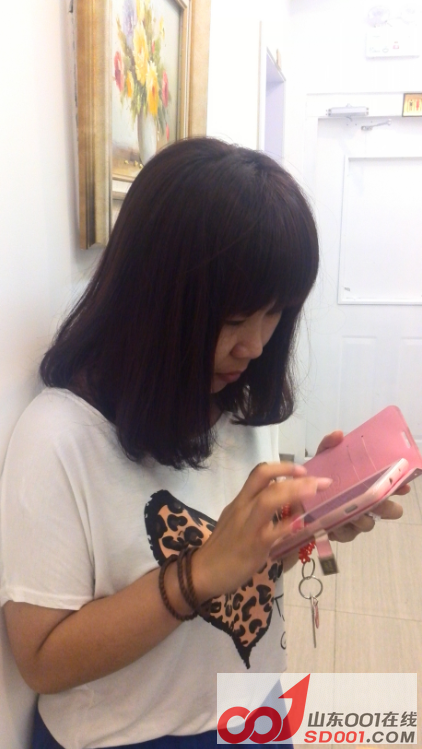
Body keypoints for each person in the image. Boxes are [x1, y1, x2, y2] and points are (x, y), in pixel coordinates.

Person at [0, 138, 404, 749]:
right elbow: (41, 661)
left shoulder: (235, 403)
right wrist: (199, 573)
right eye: (234, 319)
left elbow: (244, 570)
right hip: (131, 735)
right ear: (154, 300)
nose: (256, 346)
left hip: (254, 712)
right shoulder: (57, 438)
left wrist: (304, 523)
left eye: (276, 314)